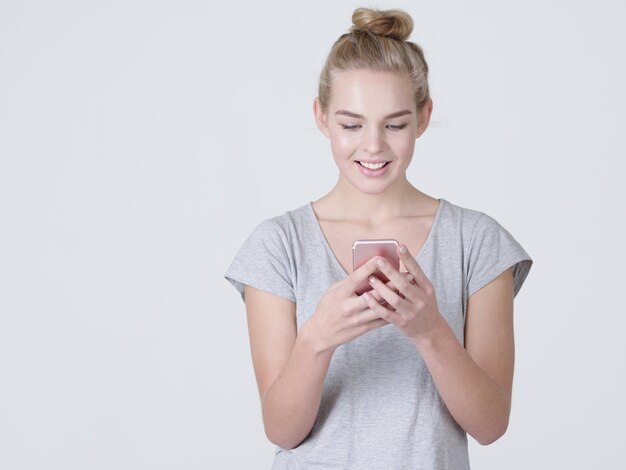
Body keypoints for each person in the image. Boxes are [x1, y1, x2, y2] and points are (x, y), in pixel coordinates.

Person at [225, 7, 532, 469]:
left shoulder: (477, 241)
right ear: (321, 116)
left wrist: (430, 331)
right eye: (351, 124)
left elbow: (490, 425)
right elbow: (282, 430)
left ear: (424, 117)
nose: (372, 146)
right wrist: (317, 339)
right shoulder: (278, 245)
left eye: (395, 124)